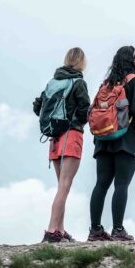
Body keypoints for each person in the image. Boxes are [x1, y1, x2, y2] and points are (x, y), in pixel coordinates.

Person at [88, 46, 135, 241]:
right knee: (122, 184)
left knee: (101, 184)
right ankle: (118, 230)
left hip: (103, 140)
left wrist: (98, 138)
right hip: (127, 139)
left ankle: (95, 230)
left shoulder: (106, 84)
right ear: (132, 60)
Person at [33, 47, 90, 243]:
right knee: (65, 186)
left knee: (61, 186)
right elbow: (84, 110)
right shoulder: (79, 82)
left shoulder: (52, 82)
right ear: (82, 62)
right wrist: (79, 122)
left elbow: (37, 106)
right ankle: (51, 231)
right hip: (71, 136)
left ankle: (61, 229)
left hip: (54, 138)